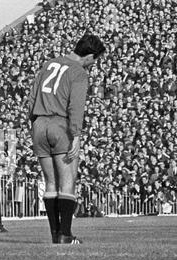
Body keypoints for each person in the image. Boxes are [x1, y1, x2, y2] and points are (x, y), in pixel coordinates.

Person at [29, 34, 105, 244]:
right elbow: (76, 106)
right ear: (90, 56)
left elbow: (32, 97)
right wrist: (77, 136)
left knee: (50, 182)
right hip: (60, 125)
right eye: (95, 59)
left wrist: (34, 123)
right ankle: (66, 234)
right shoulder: (79, 72)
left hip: (39, 124)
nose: (93, 64)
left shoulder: (49, 63)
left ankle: (55, 234)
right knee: (67, 181)